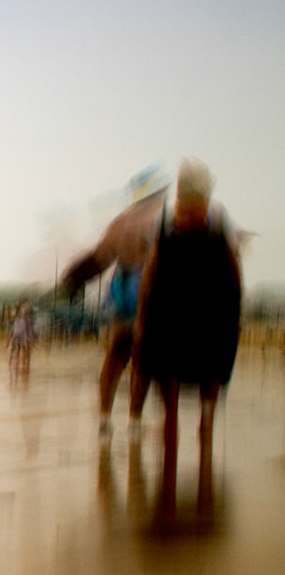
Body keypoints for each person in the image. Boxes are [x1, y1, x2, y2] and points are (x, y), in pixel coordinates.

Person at [136, 158, 241, 499]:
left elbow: (232, 268)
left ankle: (202, 446)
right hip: (174, 309)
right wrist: (143, 318)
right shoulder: (168, 222)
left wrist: (233, 310)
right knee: (171, 384)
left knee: (206, 377)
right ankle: (172, 472)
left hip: (207, 309)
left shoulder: (217, 220)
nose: (191, 214)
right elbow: (151, 273)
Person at [60, 166, 169, 436]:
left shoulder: (120, 222)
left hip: (120, 291)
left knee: (115, 355)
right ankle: (134, 421)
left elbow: (99, 259)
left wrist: (73, 279)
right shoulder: (162, 219)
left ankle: (104, 418)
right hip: (148, 290)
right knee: (143, 360)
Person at [7, 299, 36, 386]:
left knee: (24, 351)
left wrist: (29, 339)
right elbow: (14, 329)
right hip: (17, 337)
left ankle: (24, 365)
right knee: (15, 350)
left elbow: (28, 330)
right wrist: (10, 338)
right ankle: (14, 363)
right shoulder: (17, 319)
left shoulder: (27, 320)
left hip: (24, 337)